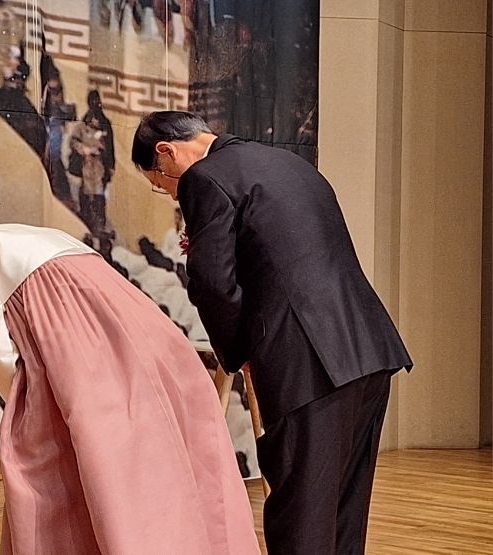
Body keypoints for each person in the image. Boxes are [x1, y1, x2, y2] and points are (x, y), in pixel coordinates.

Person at [0, 210, 259, 554]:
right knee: (154, 468)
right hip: (148, 344)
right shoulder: (33, 235)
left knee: (66, 472)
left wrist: (25, 401)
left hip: (83, 367)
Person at [131, 110, 413, 555]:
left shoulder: (204, 177)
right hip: (368, 346)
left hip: (306, 360)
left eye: (160, 182)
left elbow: (213, 282)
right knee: (344, 509)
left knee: (301, 516)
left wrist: (239, 352)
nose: (170, 192)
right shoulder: (289, 163)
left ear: (166, 152)